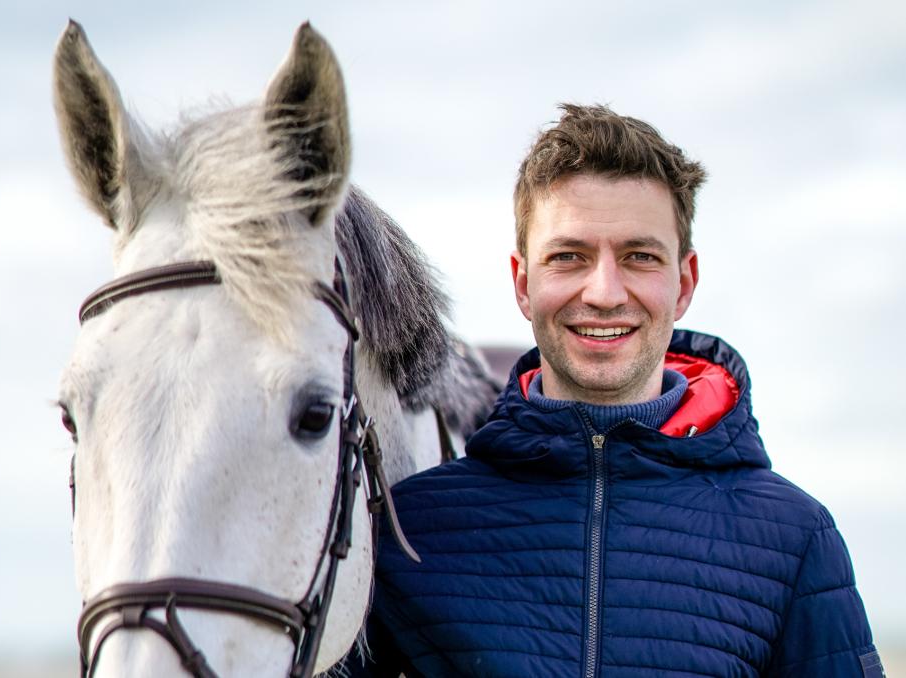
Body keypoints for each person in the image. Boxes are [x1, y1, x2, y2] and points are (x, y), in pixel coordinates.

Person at [346, 104, 881, 677]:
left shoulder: (794, 539)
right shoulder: (406, 531)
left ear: (684, 283)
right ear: (523, 284)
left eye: (639, 257)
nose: (604, 292)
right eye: (568, 257)